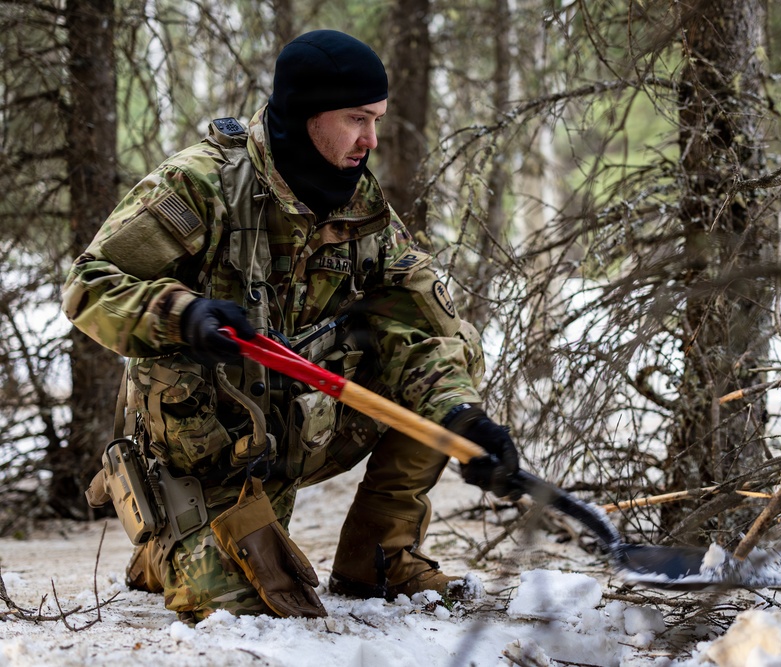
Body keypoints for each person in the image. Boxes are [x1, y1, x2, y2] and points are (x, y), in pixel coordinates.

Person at [62, 29, 520, 623]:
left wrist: (464, 421)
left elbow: (421, 329)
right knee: (254, 609)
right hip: (208, 449)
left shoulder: (361, 205)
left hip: (293, 427)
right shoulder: (203, 186)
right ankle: (168, 545)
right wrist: (182, 314)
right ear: (308, 115)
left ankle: (379, 555)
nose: (370, 139)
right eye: (357, 118)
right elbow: (88, 284)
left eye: (376, 120)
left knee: (454, 347)